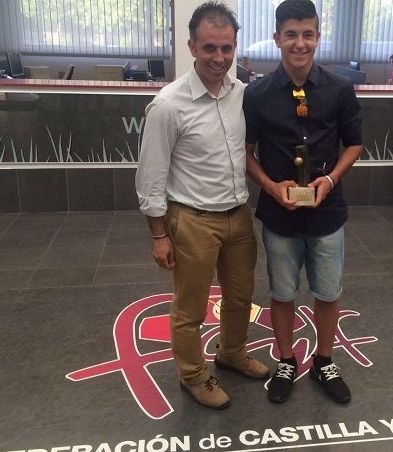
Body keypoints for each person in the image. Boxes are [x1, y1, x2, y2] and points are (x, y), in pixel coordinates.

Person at [135, 1, 268, 411]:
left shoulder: (242, 95)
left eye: (227, 48)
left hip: (238, 216)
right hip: (192, 220)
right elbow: (151, 175)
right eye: (210, 47)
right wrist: (159, 235)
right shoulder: (168, 104)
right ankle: (193, 375)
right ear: (192, 46)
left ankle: (232, 353)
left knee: (241, 298)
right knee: (190, 308)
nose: (219, 58)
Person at [243, 0, 362, 405]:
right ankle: (286, 360)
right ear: (277, 37)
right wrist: (269, 185)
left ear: (317, 37)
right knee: (282, 293)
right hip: (279, 213)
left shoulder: (339, 90)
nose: (300, 43)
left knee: (327, 293)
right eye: (291, 34)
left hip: (327, 212)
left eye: (307, 34)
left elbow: (355, 144)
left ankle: (324, 360)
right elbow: (245, 152)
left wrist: (330, 179)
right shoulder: (257, 94)